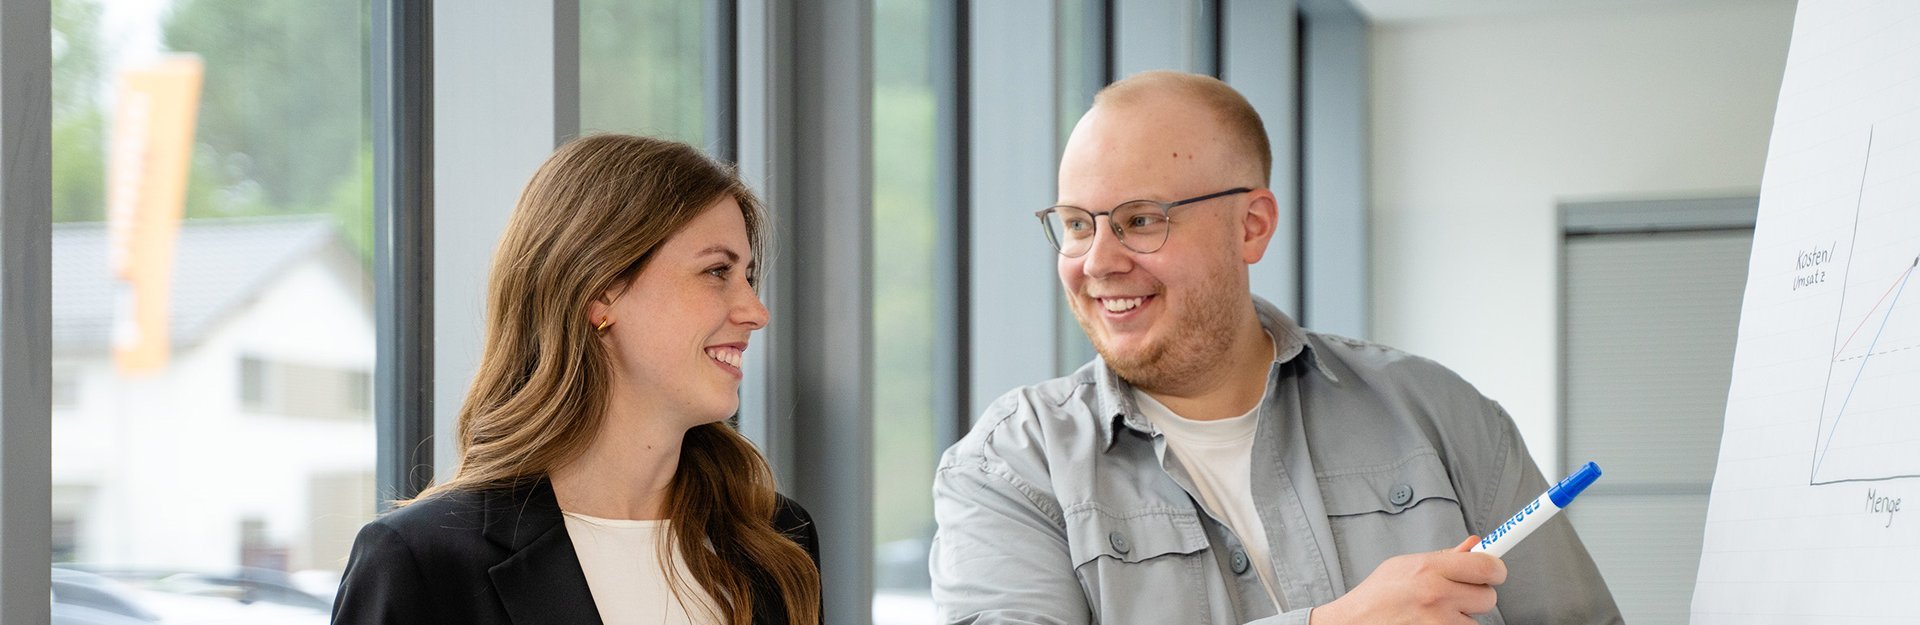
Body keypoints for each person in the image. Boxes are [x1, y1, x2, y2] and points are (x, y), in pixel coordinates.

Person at [929, 71, 1622, 624]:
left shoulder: (1443, 416)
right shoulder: (1011, 469)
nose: (1098, 261)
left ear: (1251, 226)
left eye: (1140, 219)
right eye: (1078, 224)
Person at [332, 134, 821, 625]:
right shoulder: (422, 563)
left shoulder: (779, 539)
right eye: (717, 271)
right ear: (599, 289)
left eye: (749, 277)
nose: (756, 312)